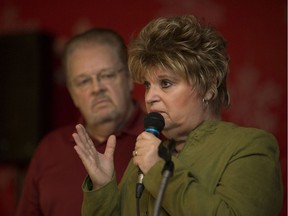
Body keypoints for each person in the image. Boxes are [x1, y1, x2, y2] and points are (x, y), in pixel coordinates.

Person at [73, 15, 283, 215]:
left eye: (166, 83)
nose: (150, 97)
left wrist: (160, 171)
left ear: (209, 86)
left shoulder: (251, 147)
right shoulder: (148, 153)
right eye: (148, 85)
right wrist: (102, 188)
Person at [15, 28, 146, 215]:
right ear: (72, 93)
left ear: (129, 77)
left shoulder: (162, 140)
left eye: (107, 75)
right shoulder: (49, 148)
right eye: (84, 81)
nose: (96, 88)